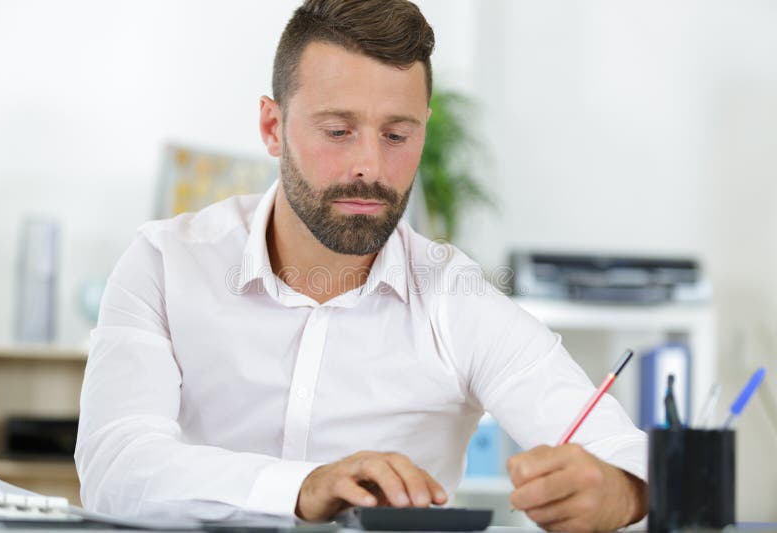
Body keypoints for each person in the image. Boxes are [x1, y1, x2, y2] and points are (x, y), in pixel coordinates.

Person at [75, 1, 648, 531]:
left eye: (397, 135)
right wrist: (303, 488)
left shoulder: (458, 300)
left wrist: (622, 493)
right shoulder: (165, 265)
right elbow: (116, 466)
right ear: (273, 127)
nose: (369, 166)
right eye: (338, 132)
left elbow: (627, 455)